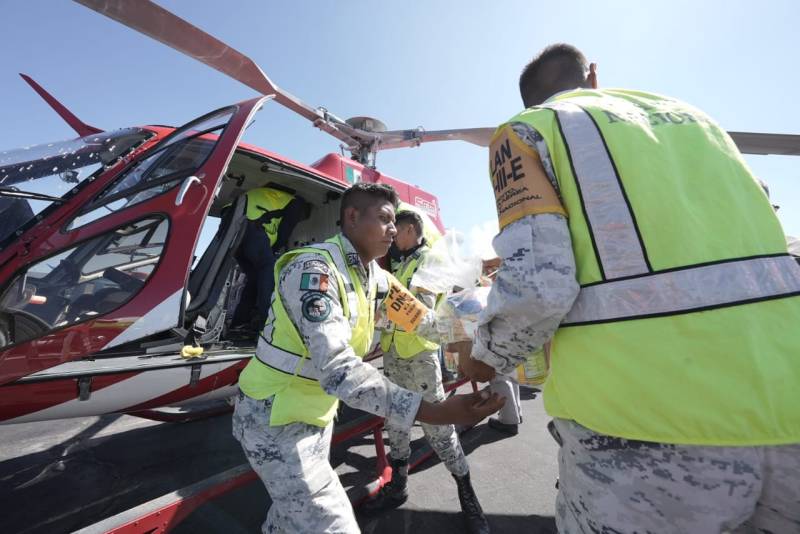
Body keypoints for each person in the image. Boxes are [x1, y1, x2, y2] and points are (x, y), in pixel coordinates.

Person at [458, 43, 800, 533]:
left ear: (527, 100)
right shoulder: (700, 123)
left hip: (642, 427)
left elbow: (540, 286)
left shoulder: (528, 129)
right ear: (594, 76)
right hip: (787, 407)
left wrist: (485, 357)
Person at [232, 182, 504, 534]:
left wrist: (485, 337)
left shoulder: (378, 280)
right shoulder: (314, 272)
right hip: (273, 418)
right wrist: (434, 411)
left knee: (290, 519)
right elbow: (340, 371)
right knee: (331, 525)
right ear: (352, 217)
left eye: (395, 222)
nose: (393, 229)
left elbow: (427, 324)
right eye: (385, 219)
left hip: (311, 414)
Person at [362, 209, 489, 533]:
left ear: (408, 229)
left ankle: (468, 497)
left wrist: (384, 316)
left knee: (439, 430)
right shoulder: (400, 264)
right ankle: (398, 486)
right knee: (397, 424)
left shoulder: (430, 262)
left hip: (419, 358)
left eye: (395, 229)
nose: (391, 236)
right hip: (393, 357)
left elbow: (424, 310)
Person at [229, 186, 309, 329]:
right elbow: (284, 234)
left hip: (234, 230)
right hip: (250, 225)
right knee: (269, 269)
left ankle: (239, 321)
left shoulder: (277, 199)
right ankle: (268, 325)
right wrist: (275, 252)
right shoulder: (296, 204)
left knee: (254, 279)